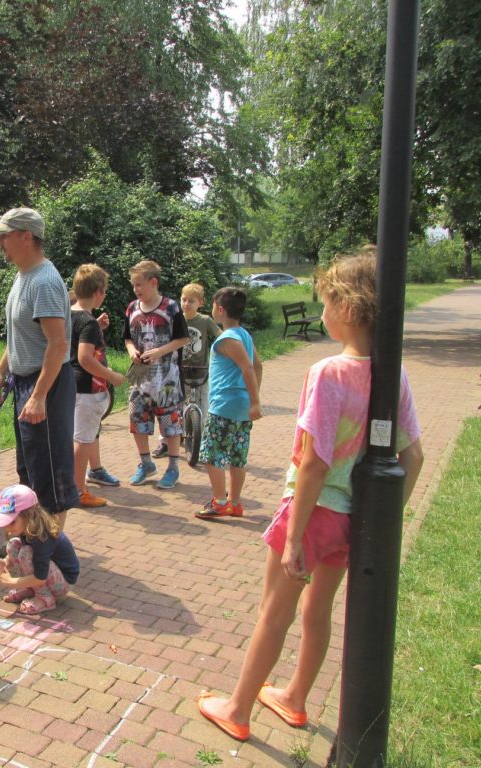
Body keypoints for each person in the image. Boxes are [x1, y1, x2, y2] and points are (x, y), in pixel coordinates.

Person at [197, 251, 423, 741]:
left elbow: (313, 462)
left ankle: (237, 709)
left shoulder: (328, 373)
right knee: (316, 611)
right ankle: (294, 697)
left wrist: (295, 536)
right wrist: (383, 522)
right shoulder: (392, 374)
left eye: (324, 301)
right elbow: (414, 458)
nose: (321, 311)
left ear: (345, 307)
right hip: (352, 519)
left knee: (272, 614)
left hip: (311, 512)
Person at [0, 208, 80, 533]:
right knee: (30, 469)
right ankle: (32, 544)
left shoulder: (44, 282)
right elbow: (22, 335)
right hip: (27, 382)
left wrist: (39, 396)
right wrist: (1, 371)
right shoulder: (22, 276)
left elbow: (57, 345)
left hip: (47, 386)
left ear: (27, 236)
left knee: (50, 475)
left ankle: (50, 552)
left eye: (5, 235)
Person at [194, 287, 263, 519]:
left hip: (225, 404)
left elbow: (249, 367)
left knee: (212, 455)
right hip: (240, 406)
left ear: (220, 310)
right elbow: (258, 365)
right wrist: (251, 398)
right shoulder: (244, 334)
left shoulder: (227, 339)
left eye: (213, 306)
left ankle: (220, 502)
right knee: (237, 456)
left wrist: (255, 402)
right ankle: (235, 503)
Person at [122, 260, 189, 489]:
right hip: (140, 380)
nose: (136, 290)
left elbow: (183, 339)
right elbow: (127, 337)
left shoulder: (171, 307)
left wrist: (160, 351)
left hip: (167, 378)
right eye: (134, 286)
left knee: (170, 424)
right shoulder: (132, 308)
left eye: (140, 285)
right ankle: (146, 463)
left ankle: (172, 468)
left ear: (153, 282)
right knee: (137, 420)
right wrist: (132, 351)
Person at [69, 265, 127, 507]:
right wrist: (111, 376)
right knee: (82, 441)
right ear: (99, 292)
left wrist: (96, 327)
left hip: (72, 386)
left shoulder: (70, 314)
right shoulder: (88, 322)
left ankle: (83, 481)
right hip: (87, 390)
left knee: (85, 435)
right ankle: (78, 490)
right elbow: (84, 358)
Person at [0, 484, 80, 615]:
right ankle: (31, 589)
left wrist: (10, 582)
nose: (7, 527)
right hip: (49, 573)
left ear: (28, 515)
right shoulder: (27, 526)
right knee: (13, 545)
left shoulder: (41, 537)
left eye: (12, 521)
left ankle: (45, 598)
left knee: (26, 554)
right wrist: (5, 563)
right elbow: (16, 553)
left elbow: (40, 577)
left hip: (63, 582)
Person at [153, 282, 221, 458]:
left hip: (200, 371)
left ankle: (204, 443)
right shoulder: (176, 319)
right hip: (177, 369)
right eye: (184, 299)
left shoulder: (205, 321)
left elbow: (221, 337)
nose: (186, 304)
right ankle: (165, 442)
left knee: (203, 405)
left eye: (191, 301)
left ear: (201, 303)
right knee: (170, 406)